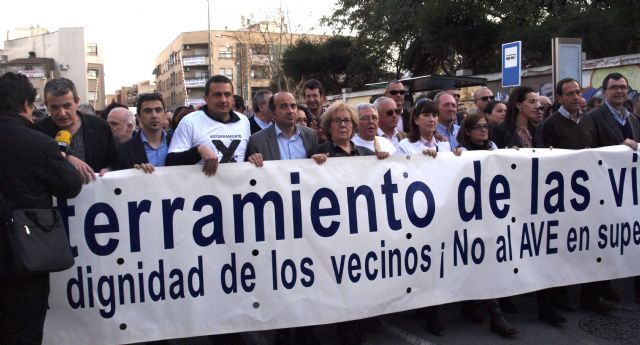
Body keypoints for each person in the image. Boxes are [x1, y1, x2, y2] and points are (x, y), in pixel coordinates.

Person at [0, 72, 83, 345]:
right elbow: (70, 186)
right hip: (23, 257)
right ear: (27, 104)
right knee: (23, 332)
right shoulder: (38, 143)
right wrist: (61, 159)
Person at [37, 77, 117, 184]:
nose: (62, 113)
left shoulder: (100, 126)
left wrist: (109, 170)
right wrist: (67, 158)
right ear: (46, 105)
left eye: (67, 106)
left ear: (77, 101)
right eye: (55, 107)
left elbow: (115, 160)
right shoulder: (39, 131)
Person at [166, 75, 250, 176]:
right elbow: (171, 162)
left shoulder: (244, 121)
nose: (223, 100)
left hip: (237, 189)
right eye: (217, 95)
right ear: (206, 99)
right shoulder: (189, 122)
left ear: (232, 98)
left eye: (227, 95)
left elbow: (244, 156)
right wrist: (198, 151)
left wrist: (253, 157)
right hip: (202, 190)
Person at [245, 91, 319, 165]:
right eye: (284, 107)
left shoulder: (311, 135)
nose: (290, 111)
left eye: (293, 106)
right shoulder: (257, 141)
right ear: (273, 113)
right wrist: (253, 160)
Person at [115, 92, 172, 172]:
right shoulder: (124, 151)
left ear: (165, 115)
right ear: (139, 117)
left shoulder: (176, 142)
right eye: (148, 111)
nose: (154, 115)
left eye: (158, 110)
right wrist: (135, 172)